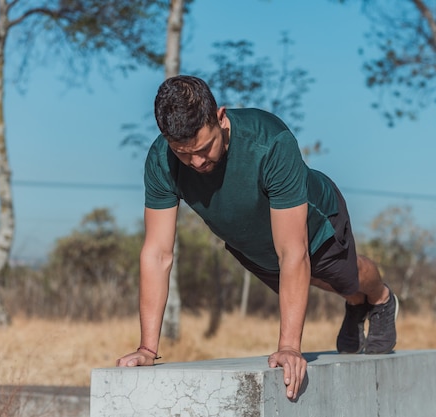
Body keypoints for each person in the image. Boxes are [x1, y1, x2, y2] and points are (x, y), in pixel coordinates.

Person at [116, 75, 398, 400]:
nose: (196, 162)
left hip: (316, 225)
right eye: (183, 153)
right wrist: (147, 349)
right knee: (318, 283)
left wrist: (290, 348)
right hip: (250, 244)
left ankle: (379, 299)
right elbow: (157, 254)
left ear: (220, 117)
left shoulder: (270, 143)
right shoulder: (161, 161)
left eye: (204, 148)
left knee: (345, 277)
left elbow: (293, 252)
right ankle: (354, 303)